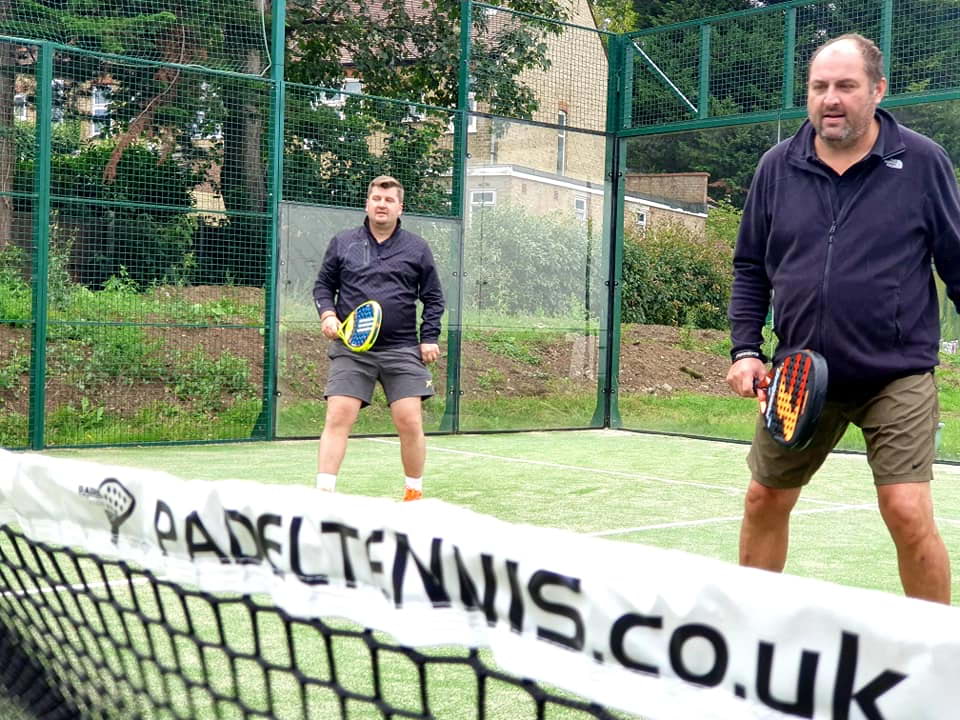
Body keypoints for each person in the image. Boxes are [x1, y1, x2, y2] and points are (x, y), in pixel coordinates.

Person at [726, 33, 960, 604]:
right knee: (764, 499)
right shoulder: (776, 167)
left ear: (877, 91)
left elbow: (956, 262)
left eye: (846, 86)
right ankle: (751, 633)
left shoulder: (923, 162)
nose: (831, 99)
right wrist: (745, 350)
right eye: (819, 87)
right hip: (801, 375)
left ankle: (938, 655)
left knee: (906, 510)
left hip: (895, 374)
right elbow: (751, 265)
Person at [313, 176, 445, 501]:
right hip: (352, 350)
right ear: (367, 204)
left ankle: (413, 495)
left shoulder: (417, 248)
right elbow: (323, 287)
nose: (381, 204)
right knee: (339, 414)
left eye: (388, 200)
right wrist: (328, 314)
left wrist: (428, 337)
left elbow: (433, 297)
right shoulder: (343, 242)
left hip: (401, 349)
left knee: (409, 420)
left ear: (400, 207)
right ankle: (323, 496)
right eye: (376, 198)